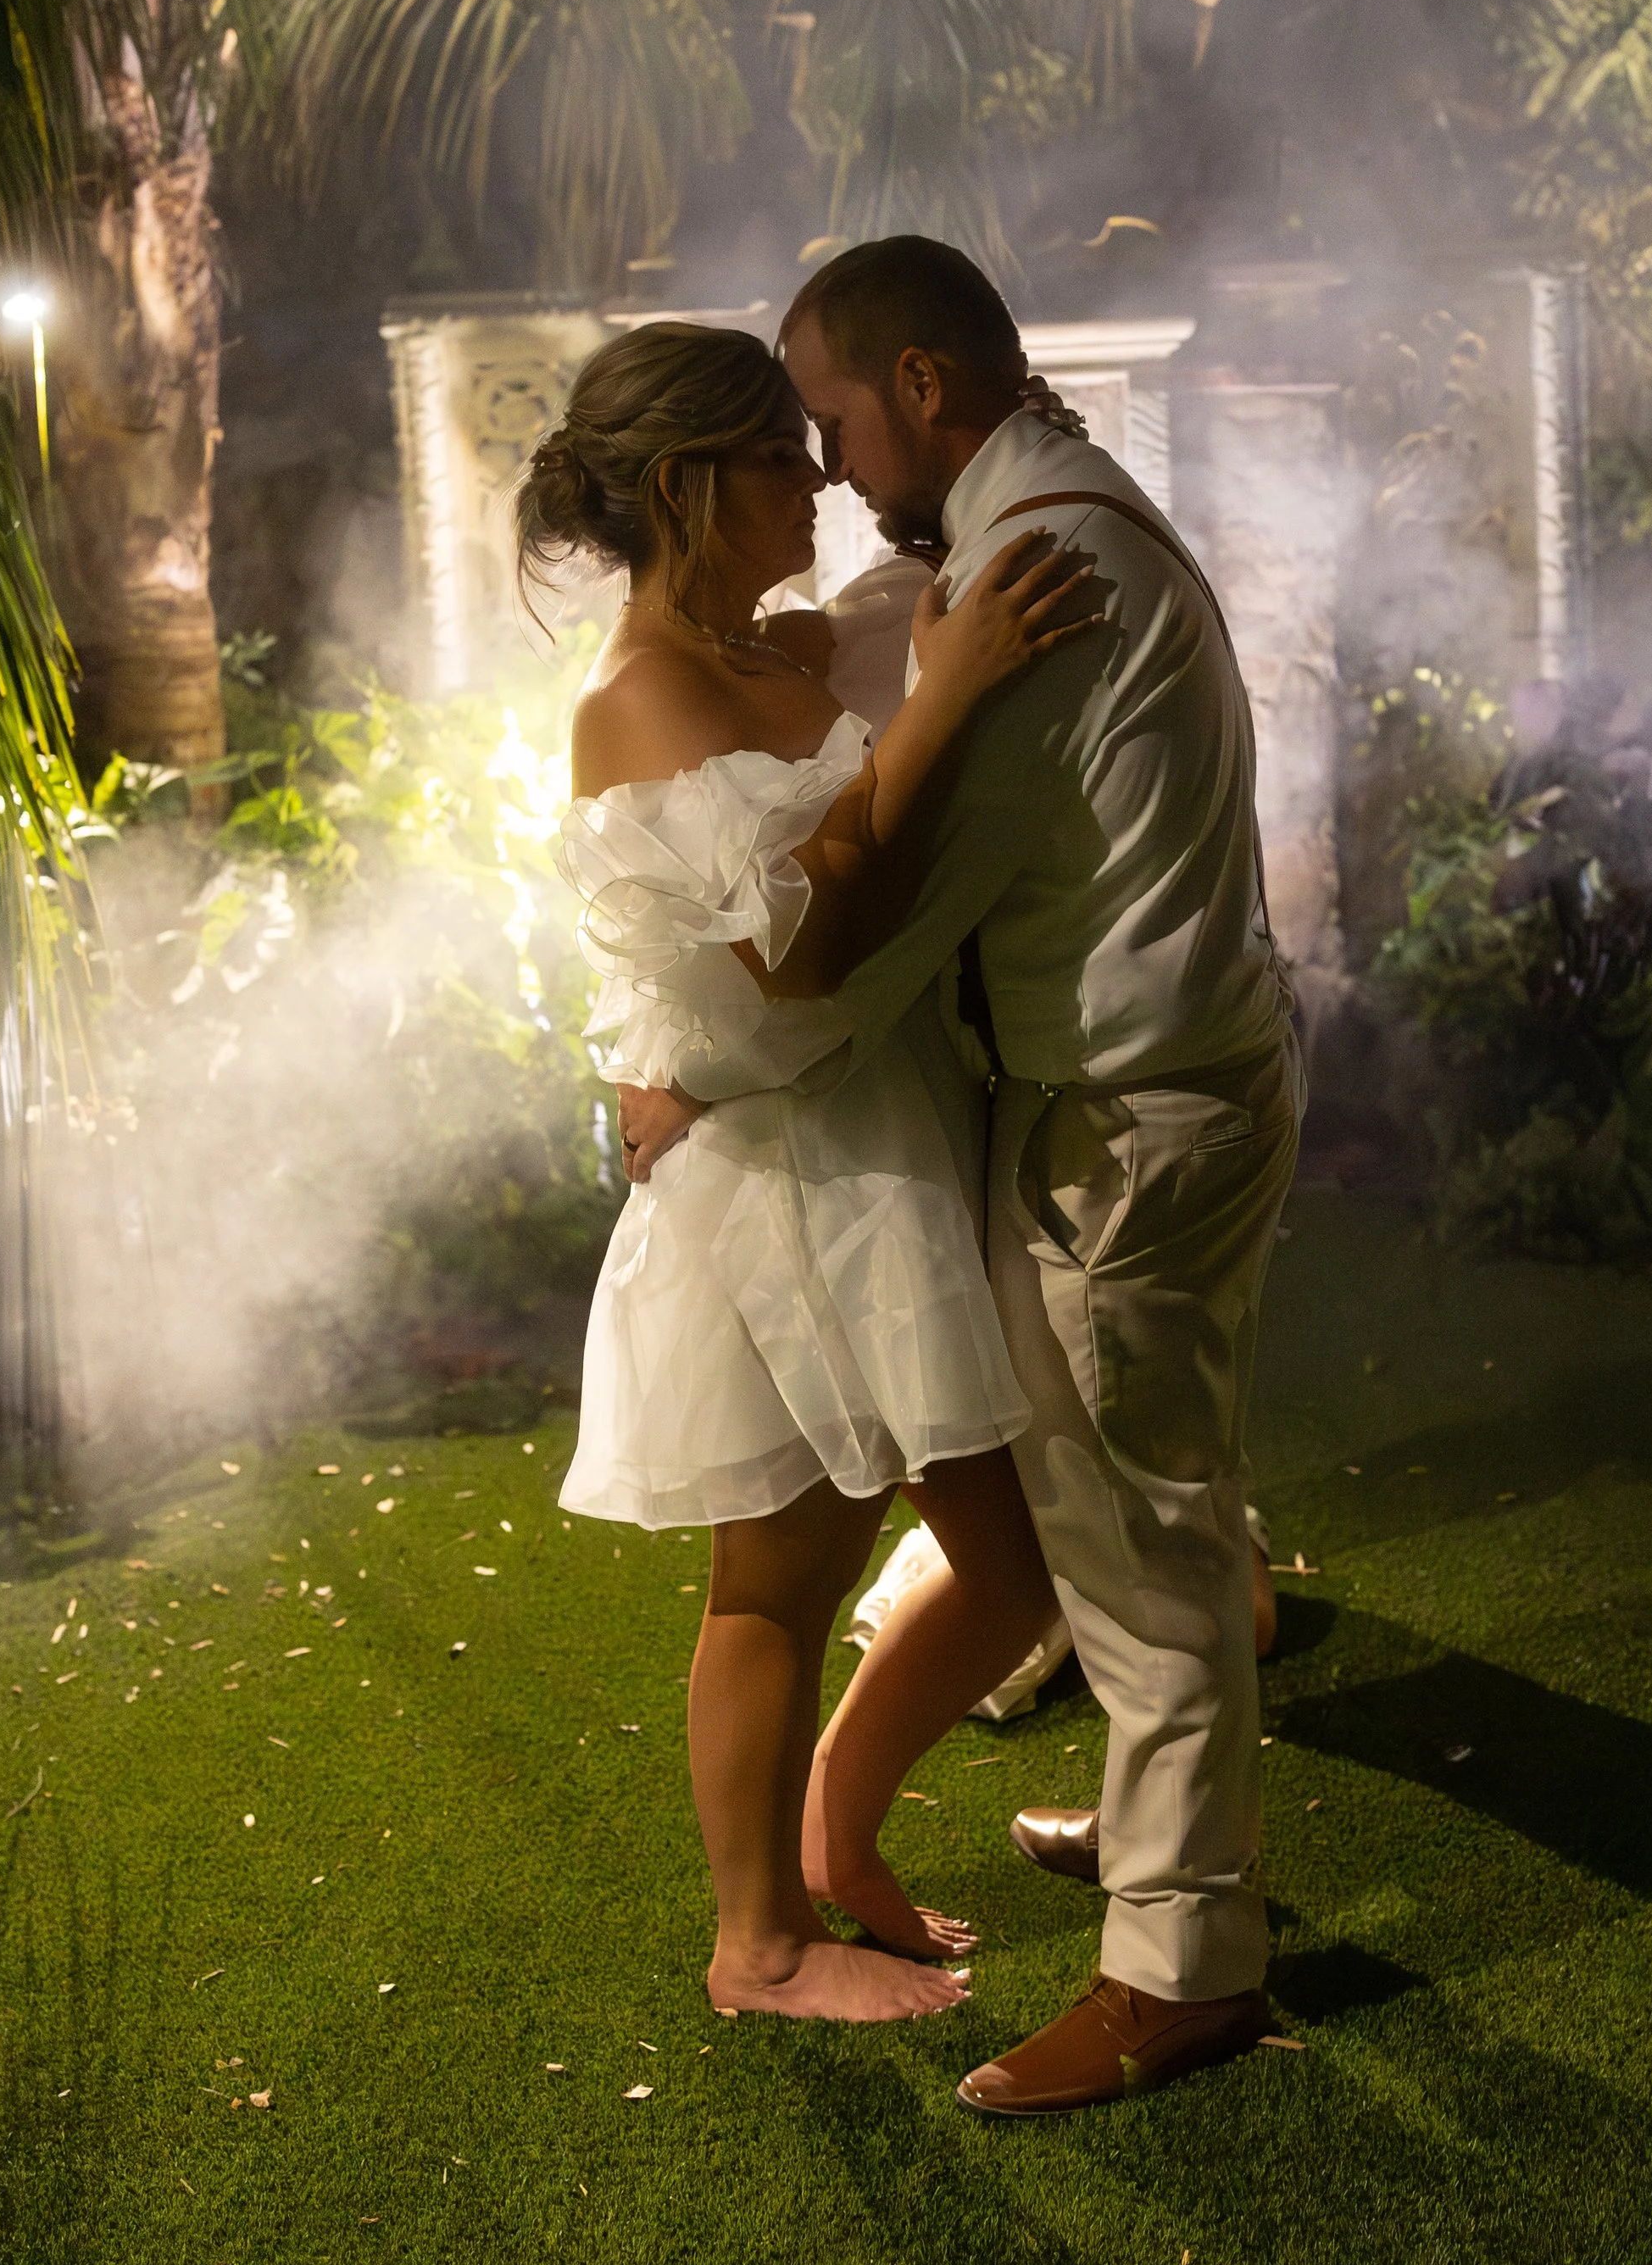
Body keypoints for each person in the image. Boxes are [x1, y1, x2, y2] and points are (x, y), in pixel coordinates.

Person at [617, 239, 1304, 2115]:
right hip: (1169, 1079)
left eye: (830, 419)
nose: (826, 468)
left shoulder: (1026, 571)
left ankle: (1179, 1964)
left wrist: (699, 1058)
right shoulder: (1036, 519)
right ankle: (1178, 1841)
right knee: (1133, 1514)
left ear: (923, 385)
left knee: (1137, 1552)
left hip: (1128, 1113)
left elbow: (866, 938)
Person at [520, 320, 1099, 2024]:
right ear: (694, 483)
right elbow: (796, 949)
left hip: (869, 1142)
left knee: (936, 1569)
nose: (821, 481)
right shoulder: (639, 697)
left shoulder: (759, 651)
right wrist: (951, 693)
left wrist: (891, 670)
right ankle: (762, 1941)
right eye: (784, 455)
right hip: (798, 1180)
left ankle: (816, 1869)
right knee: (796, 1575)